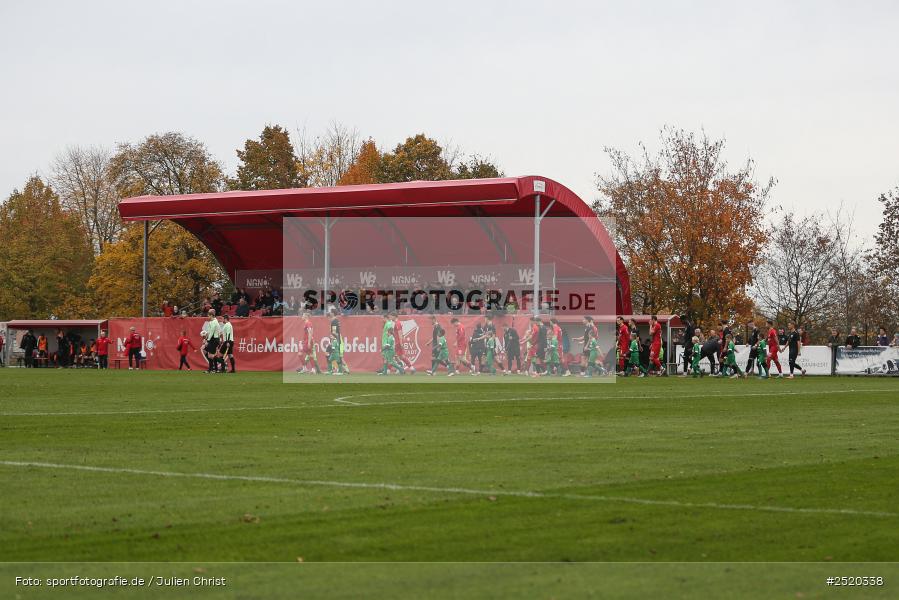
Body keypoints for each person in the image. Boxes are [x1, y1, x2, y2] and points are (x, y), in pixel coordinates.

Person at [328, 308, 349, 374]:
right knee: (335, 356)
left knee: (339, 357)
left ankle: (346, 369)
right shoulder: (337, 320)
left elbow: (334, 332)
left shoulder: (334, 321)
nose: (330, 313)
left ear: (333, 313)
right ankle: (337, 369)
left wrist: (334, 340)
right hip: (338, 339)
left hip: (337, 340)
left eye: (330, 312)